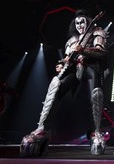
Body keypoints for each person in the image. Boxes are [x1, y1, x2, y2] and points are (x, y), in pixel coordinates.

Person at [20, 9, 108, 156]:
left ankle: (96, 130)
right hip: (75, 68)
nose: (80, 25)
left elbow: (100, 51)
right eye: (77, 22)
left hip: (91, 67)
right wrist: (61, 64)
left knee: (96, 93)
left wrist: (83, 50)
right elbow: (68, 59)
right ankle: (43, 128)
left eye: (83, 21)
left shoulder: (97, 32)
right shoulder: (72, 40)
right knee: (56, 83)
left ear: (88, 21)